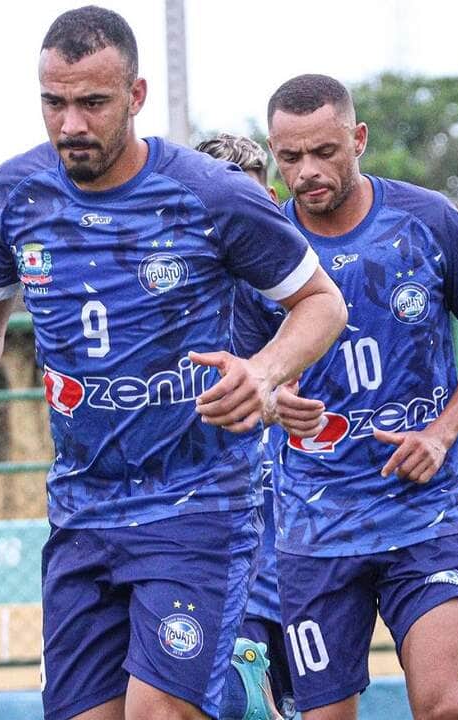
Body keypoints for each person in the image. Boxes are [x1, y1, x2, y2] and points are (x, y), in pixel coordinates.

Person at [0, 7, 347, 720]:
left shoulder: (211, 195)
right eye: (53, 103)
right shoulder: (10, 197)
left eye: (92, 103)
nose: (71, 125)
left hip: (197, 505)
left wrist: (263, 371)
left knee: (159, 714)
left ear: (136, 96)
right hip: (83, 510)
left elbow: (321, 304)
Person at [262, 75, 458, 720]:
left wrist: (439, 433)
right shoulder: (263, 246)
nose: (306, 172)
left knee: (442, 708)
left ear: (359, 139)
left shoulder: (428, 220)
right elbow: (242, 376)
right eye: (289, 157)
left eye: (324, 152)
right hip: (313, 530)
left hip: (422, 515)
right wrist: (270, 398)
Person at [195, 133, 296, 720]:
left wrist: (271, 399)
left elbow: (319, 400)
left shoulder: (296, 294)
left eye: (252, 204)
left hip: (292, 539)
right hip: (203, 543)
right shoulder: (171, 295)